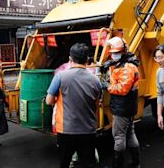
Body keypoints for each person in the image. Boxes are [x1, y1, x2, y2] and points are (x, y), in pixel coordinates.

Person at [46, 43, 102, 168]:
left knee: (65, 162)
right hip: (88, 129)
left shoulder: (60, 76)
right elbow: (96, 104)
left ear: (70, 59)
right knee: (87, 163)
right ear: (87, 60)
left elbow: (49, 101)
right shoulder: (95, 80)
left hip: (66, 130)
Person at [103, 36, 140, 168]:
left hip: (123, 107)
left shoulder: (127, 67)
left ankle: (117, 165)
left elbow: (122, 89)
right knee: (130, 133)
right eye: (112, 53)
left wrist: (106, 85)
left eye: (116, 53)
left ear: (123, 52)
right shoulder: (125, 64)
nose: (114, 55)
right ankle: (136, 162)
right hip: (127, 106)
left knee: (119, 136)